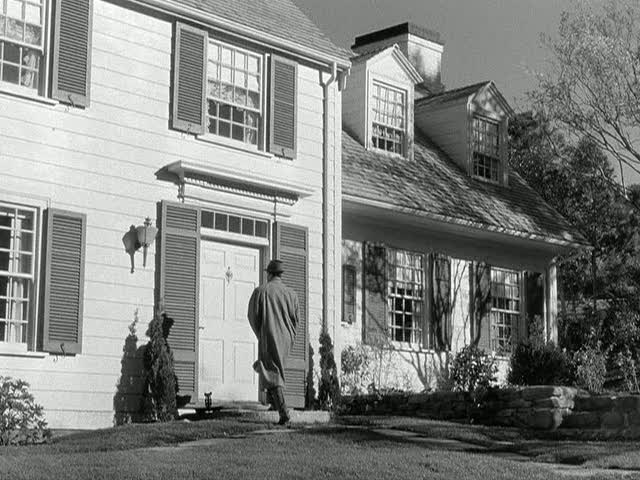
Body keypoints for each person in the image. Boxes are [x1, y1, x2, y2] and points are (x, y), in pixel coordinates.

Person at [247, 259, 299, 425]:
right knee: (273, 369)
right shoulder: (291, 294)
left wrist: (260, 333)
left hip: (270, 334)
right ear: (281, 275)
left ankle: (284, 412)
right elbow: (296, 319)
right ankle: (274, 405)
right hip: (287, 338)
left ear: (269, 274)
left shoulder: (262, 291)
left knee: (272, 373)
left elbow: (253, 316)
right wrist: (289, 335)